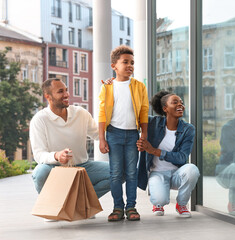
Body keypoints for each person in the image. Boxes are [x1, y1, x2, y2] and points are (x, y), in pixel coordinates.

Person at [30, 78, 110, 208]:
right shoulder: (39, 120)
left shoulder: (80, 113)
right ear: (48, 97)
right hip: (54, 168)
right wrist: (56, 156)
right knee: (40, 173)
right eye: (60, 91)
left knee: (117, 172)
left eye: (66, 90)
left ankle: (81, 204)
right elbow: (39, 155)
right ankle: (51, 207)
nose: (66, 94)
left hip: (83, 167)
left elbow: (99, 135)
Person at [98, 45, 149, 222]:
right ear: (114, 66)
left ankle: (131, 206)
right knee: (115, 173)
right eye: (125, 62)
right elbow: (102, 113)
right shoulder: (107, 87)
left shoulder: (139, 86)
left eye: (132, 63)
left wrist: (144, 134)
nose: (130, 66)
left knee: (132, 173)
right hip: (114, 135)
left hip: (133, 135)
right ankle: (117, 207)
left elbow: (144, 111)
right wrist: (102, 139)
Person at [136, 90, 200, 218]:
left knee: (192, 169)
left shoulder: (188, 129)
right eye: (175, 102)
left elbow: (182, 158)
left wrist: (154, 151)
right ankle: (158, 202)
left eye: (181, 102)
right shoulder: (152, 123)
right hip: (157, 173)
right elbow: (133, 112)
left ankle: (181, 204)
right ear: (165, 108)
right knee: (160, 200)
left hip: (177, 173)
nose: (180, 105)